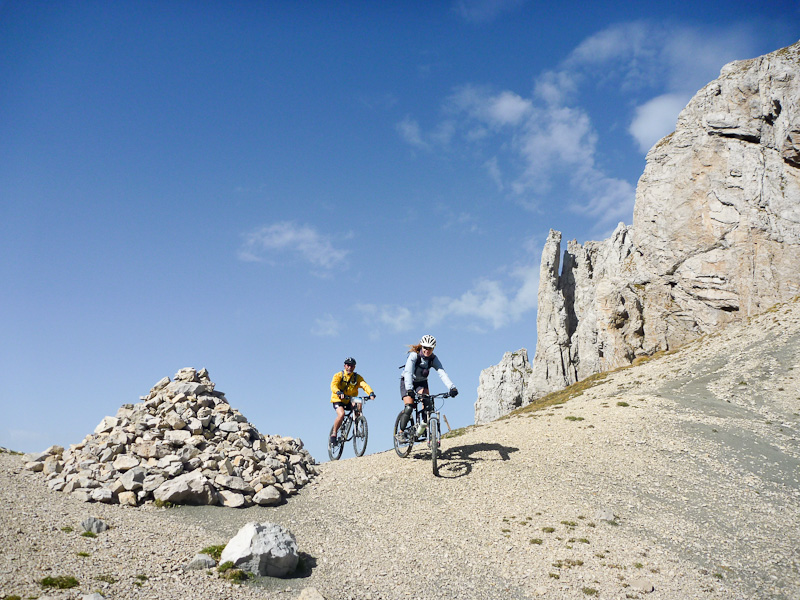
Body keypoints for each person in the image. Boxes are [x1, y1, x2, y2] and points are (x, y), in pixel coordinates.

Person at [397, 334, 458, 442]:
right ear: (421, 346)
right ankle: (401, 432)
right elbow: (408, 373)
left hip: (421, 383)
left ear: (433, 348)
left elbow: (442, 373)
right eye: (425, 347)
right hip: (407, 382)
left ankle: (423, 427)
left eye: (430, 348)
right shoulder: (414, 356)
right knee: (409, 407)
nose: (427, 350)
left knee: (428, 405)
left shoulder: (433, 359)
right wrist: (410, 389)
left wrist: (452, 387)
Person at [330, 357, 375, 445]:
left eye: (352, 366)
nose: (350, 367)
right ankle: (334, 434)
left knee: (359, 403)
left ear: (354, 367)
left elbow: (364, 385)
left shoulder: (356, 377)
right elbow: (333, 385)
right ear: (344, 366)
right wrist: (338, 392)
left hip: (350, 399)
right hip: (338, 399)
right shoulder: (339, 375)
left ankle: (357, 422)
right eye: (348, 365)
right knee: (341, 414)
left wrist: (371, 393)